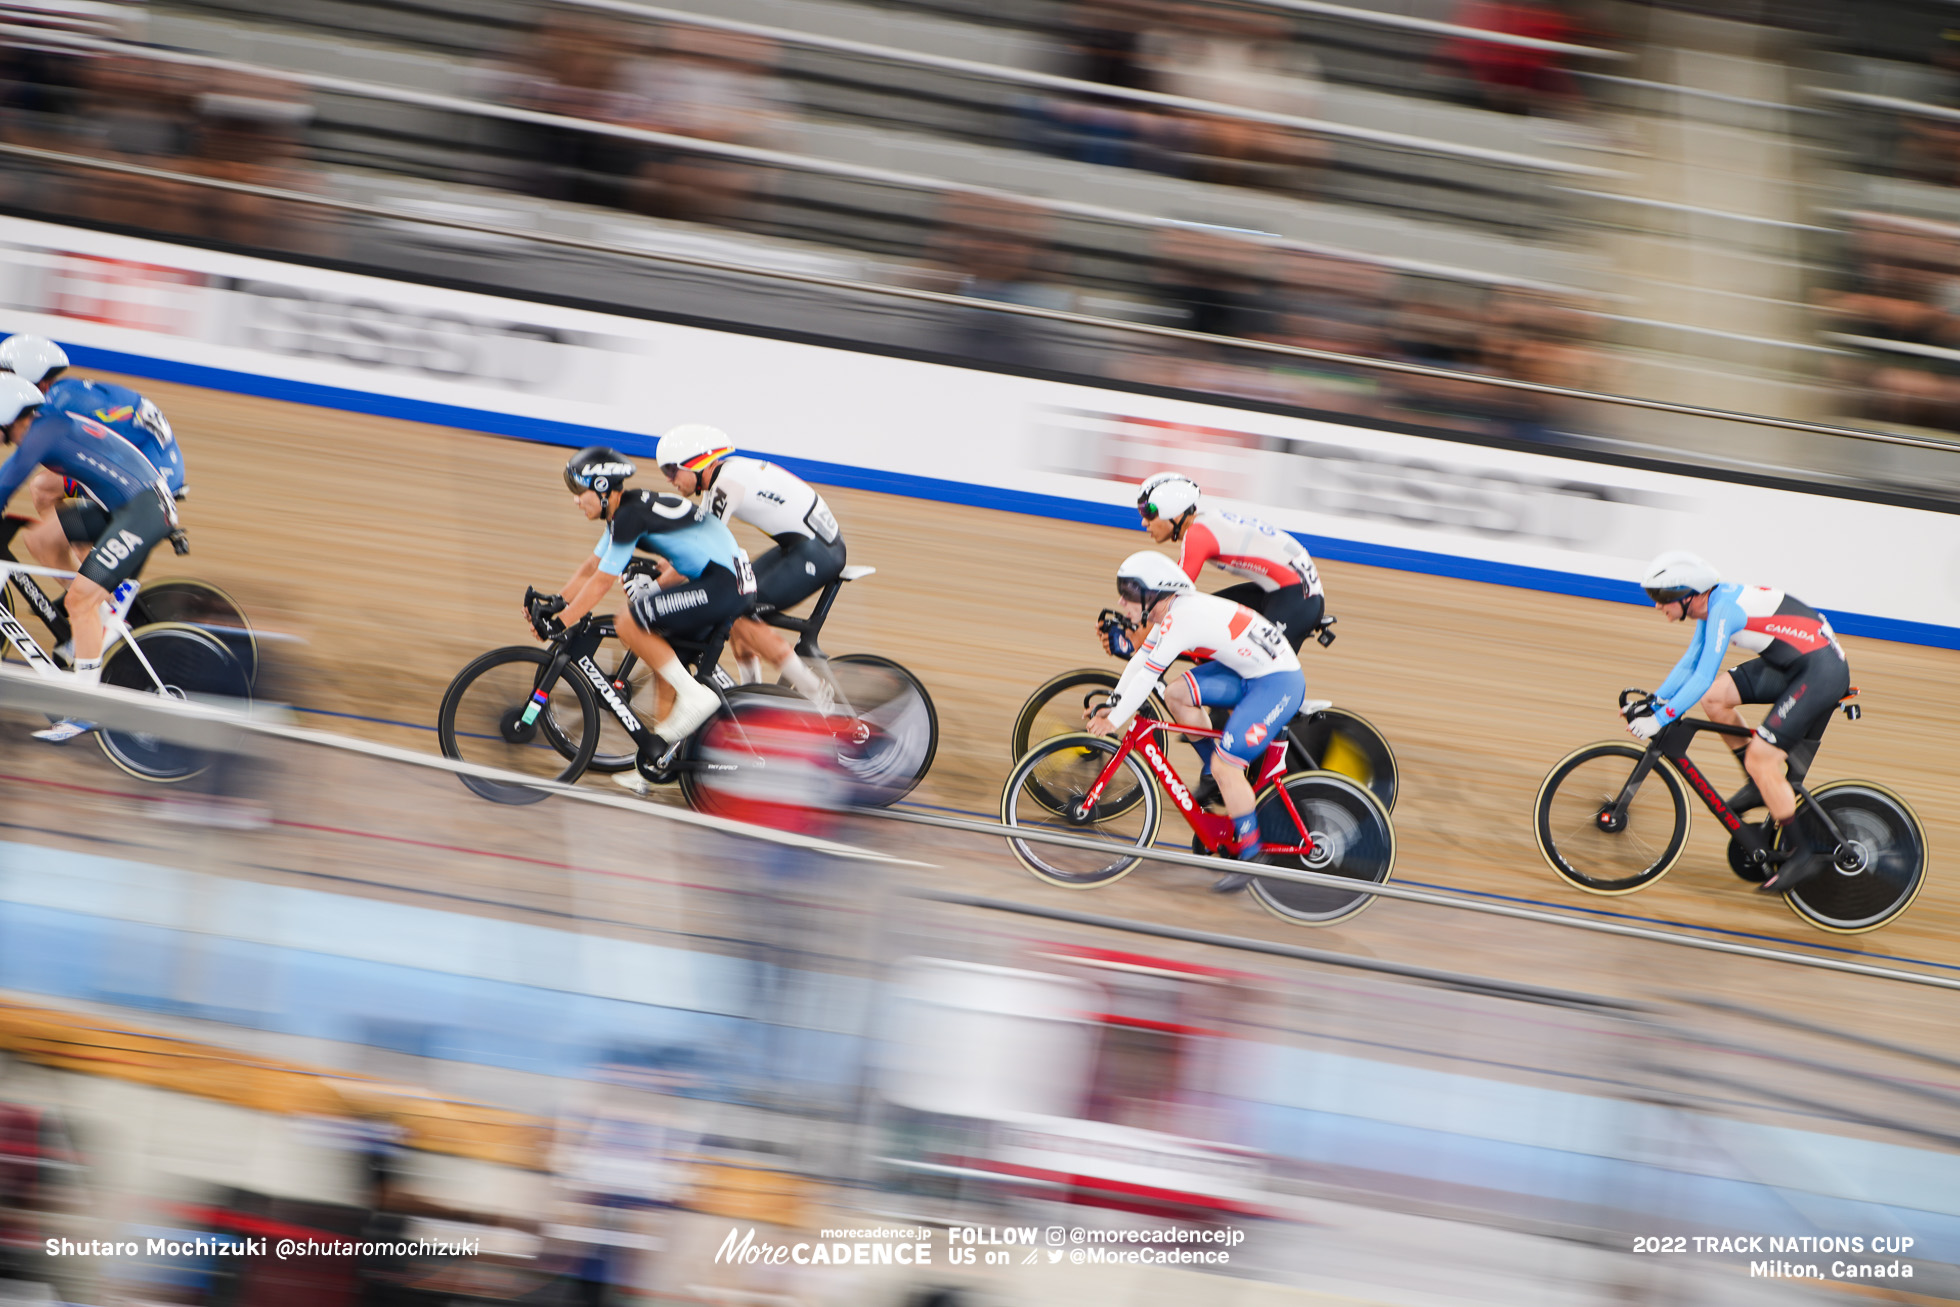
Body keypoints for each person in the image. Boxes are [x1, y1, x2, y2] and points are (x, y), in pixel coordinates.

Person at [1629, 551, 1851, 895]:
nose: (1658, 605)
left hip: (1818, 671)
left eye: (1662, 597)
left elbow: (1703, 674)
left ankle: (1801, 851)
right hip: (1794, 663)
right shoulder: (1711, 603)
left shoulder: (1722, 610)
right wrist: (1655, 701)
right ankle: (1758, 783)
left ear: (1690, 595)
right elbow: (1690, 663)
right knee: (1715, 700)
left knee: (1761, 756)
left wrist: (1662, 718)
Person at [1088, 551, 1304, 894]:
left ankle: (1250, 856)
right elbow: (1141, 660)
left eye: (1129, 594)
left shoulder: (1181, 619)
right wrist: (1113, 704)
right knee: (1176, 694)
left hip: (1276, 682)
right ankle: (1221, 774)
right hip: (1249, 671)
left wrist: (1114, 720)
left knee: (1226, 765)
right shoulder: (1173, 612)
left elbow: (1147, 677)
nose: (1121, 601)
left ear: (1155, 594)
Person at [0, 373, 181, 743]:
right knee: (45, 545)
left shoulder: (43, 429)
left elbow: (8, 480)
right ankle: (96, 633)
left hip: (143, 511)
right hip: (123, 507)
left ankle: (85, 707)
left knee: (79, 598)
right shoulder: (45, 424)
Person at [550, 447, 753, 766]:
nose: (576, 500)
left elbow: (603, 582)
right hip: (722, 579)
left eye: (580, 491)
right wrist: (556, 603)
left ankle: (697, 697)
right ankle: (658, 763)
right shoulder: (623, 512)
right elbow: (592, 567)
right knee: (662, 651)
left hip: (723, 583)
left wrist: (561, 623)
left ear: (602, 489)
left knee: (628, 620)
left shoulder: (629, 516)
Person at [653, 424, 838, 710]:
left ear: (696, 463)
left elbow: (700, 550)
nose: (668, 480)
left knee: (734, 605)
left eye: (671, 470)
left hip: (817, 553)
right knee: (734, 598)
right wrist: (660, 563)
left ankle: (814, 691)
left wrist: (654, 587)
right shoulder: (724, 476)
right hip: (802, 547)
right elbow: (692, 539)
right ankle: (752, 695)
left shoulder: (727, 485)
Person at [0, 334, 187, 526]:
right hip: (156, 464)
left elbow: (21, 461)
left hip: (151, 478)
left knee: (45, 490)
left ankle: (83, 550)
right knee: (46, 487)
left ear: (28, 374)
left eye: (6, 373)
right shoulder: (65, 392)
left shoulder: (55, 406)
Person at [1134, 472, 1324, 651]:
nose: (1144, 522)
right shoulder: (1203, 525)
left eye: (1149, 512)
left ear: (1173, 512)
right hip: (1282, 591)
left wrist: (1138, 632)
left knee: (1252, 663)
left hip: (1297, 598)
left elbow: (1172, 593)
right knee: (1201, 621)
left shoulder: (1197, 535)